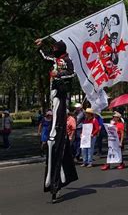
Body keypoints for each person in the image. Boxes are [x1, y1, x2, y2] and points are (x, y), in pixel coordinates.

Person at [36, 38, 78, 202]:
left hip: (61, 97)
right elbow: (44, 56)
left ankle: (56, 183)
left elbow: (72, 74)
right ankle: (56, 181)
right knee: (55, 139)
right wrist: (40, 46)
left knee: (56, 135)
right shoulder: (56, 59)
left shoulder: (67, 61)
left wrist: (58, 75)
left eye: (55, 47)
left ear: (60, 49)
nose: (53, 50)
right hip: (54, 97)